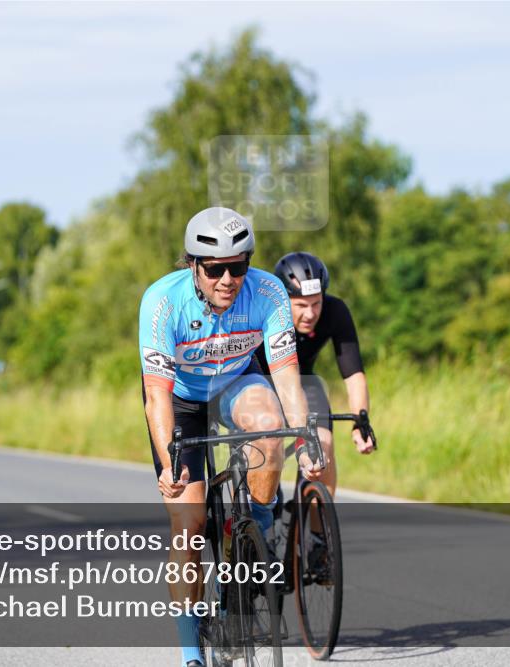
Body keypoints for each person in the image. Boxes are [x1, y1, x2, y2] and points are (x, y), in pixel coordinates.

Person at [139, 207, 319, 667]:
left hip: (236, 382)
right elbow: (156, 396)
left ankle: (254, 538)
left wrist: (305, 440)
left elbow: (287, 379)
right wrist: (170, 462)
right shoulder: (162, 302)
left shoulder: (268, 291)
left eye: (237, 267)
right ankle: (191, 653)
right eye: (215, 269)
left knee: (269, 428)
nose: (227, 279)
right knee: (189, 525)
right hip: (181, 400)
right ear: (193, 265)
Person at [255, 251, 375, 499]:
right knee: (264, 450)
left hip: (304, 383)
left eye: (316, 303)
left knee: (323, 447)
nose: (310, 314)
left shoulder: (335, 311)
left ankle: (317, 521)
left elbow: (354, 374)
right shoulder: (263, 313)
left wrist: (360, 421)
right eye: (301, 305)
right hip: (260, 384)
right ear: (283, 299)